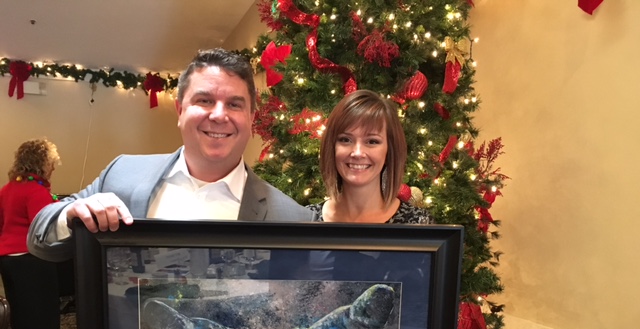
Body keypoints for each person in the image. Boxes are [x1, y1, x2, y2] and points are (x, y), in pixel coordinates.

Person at [27, 48, 314, 263]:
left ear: (251, 118)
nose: (218, 115)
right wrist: (70, 216)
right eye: (204, 100)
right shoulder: (122, 173)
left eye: (234, 104)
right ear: (180, 110)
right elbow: (39, 238)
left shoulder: (292, 218)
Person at [0, 138, 68, 329]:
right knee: (43, 322)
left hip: (8, 262)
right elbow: (44, 231)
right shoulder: (36, 192)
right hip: (32, 262)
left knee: (23, 321)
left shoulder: (8, 189)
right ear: (41, 163)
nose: (54, 168)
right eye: (52, 163)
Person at [307, 89, 431, 224]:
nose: (357, 153)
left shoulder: (417, 223)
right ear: (332, 147)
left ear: (389, 150)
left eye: (372, 141)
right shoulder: (307, 220)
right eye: (345, 140)